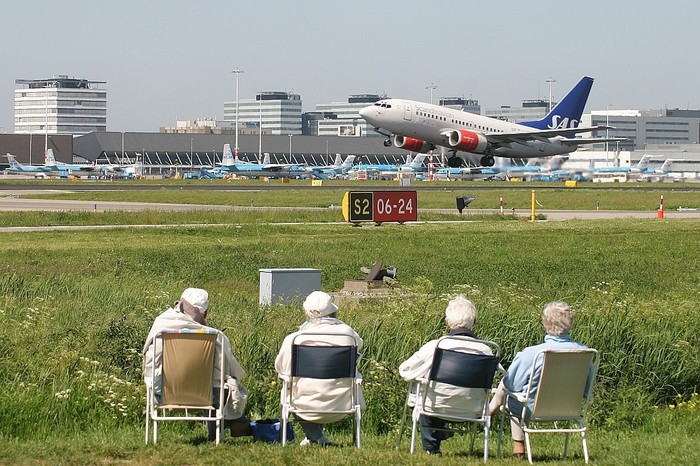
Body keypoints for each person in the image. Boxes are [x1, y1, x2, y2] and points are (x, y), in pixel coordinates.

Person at [489, 301, 593, 457]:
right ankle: (491, 411)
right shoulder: (585, 352)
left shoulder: (531, 354)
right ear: (571, 323)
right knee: (514, 389)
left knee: (510, 387)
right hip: (569, 408)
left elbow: (512, 385)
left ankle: (499, 422)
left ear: (545, 323)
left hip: (533, 409)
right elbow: (587, 387)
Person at [142, 287, 248, 441]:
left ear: (179, 304)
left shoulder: (161, 328)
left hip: (164, 393)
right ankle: (222, 431)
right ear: (205, 313)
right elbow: (229, 368)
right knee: (222, 382)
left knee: (218, 380)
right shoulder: (215, 337)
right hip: (206, 396)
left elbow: (149, 362)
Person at [399, 295, 495, 456]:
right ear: (474, 322)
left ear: (447, 321)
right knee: (437, 393)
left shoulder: (436, 346)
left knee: (425, 392)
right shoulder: (486, 350)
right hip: (473, 408)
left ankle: (432, 448)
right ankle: (441, 431)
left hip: (435, 406)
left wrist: (420, 375)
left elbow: (405, 370)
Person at [275, 291, 364, 447]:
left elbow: (281, 367)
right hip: (342, 403)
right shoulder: (348, 334)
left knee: (296, 384)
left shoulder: (296, 339)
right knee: (323, 383)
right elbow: (359, 347)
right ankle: (315, 437)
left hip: (304, 404)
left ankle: (315, 436)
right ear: (333, 312)